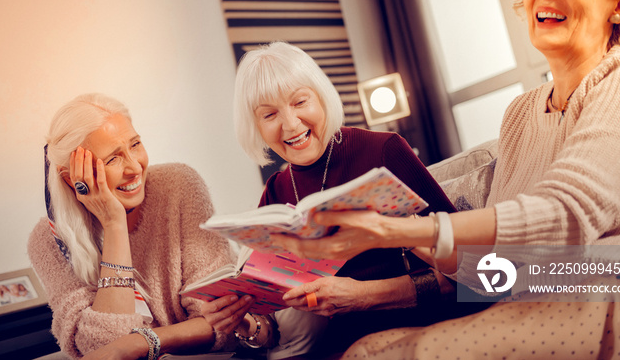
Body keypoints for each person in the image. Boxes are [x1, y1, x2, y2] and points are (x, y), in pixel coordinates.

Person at [270, 0, 620, 359]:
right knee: (365, 348)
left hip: (603, 294)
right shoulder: (522, 114)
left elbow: (567, 214)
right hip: (528, 293)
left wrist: (394, 230)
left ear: (619, 4)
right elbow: (490, 274)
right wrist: (371, 280)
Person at [201, 41, 472, 358]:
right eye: (270, 114)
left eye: (300, 101)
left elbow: (474, 272)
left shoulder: (384, 151)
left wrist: (364, 295)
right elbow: (276, 327)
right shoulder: (276, 192)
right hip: (338, 348)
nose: (290, 124)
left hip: (419, 331)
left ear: (321, 97)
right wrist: (245, 325)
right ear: (256, 126)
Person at [28, 93, 235, 359]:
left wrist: (142, 343)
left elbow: (221, 317)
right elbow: (103, 347)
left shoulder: (178, 187)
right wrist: (114, 225)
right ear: (72, 179)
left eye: (135, 144)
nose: (134, 167)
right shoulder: (48, 240)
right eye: (113, 159)